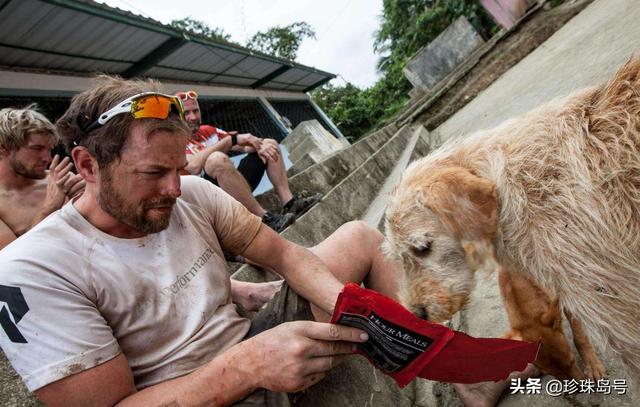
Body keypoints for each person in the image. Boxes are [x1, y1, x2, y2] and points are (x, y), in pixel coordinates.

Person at [0, 77, 402, 406]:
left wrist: (352, 308)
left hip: (253, 341)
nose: (174, 188)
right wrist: (246, 367)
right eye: (154, 172)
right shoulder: (31, 268)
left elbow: (284, 254)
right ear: (88, 164)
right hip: (191, 393)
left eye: (178, 168)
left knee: (360, 237)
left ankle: (425, 360)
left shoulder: (192, 192)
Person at [177, 90, 321, 232]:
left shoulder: (207, 130)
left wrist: (258, 145)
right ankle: (264, 219)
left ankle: (290, 203)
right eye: (187, 113)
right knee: (216, 160)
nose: (193, 117)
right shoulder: (173, 140)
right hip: (208, 203)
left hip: (233, 189)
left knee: (269, 144)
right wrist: (230, 141)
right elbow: (193, 167)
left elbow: (242, 145)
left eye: (196, 111)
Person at [0, 106, 84, 250]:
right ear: (3, 148)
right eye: (37, 149)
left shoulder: (63, 181)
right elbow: (12, 259)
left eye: (49, 149)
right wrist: (50, 208)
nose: (47, 158)